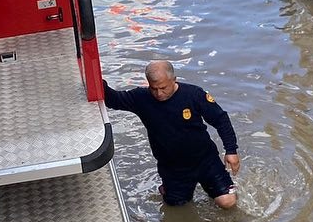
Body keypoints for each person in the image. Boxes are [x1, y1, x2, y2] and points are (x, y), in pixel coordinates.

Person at [103, 60, 240, 209]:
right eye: (154, 88)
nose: (159, 93)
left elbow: (220, 119)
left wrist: (231, 150)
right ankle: (166, 188)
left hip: (205, 160)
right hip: (173, 168)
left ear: (174, 80)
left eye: (163, 88)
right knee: (177, 210)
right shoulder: (141, 98)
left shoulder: (194, 94)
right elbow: (113, 100)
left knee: (228, 203)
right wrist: (97, 81)